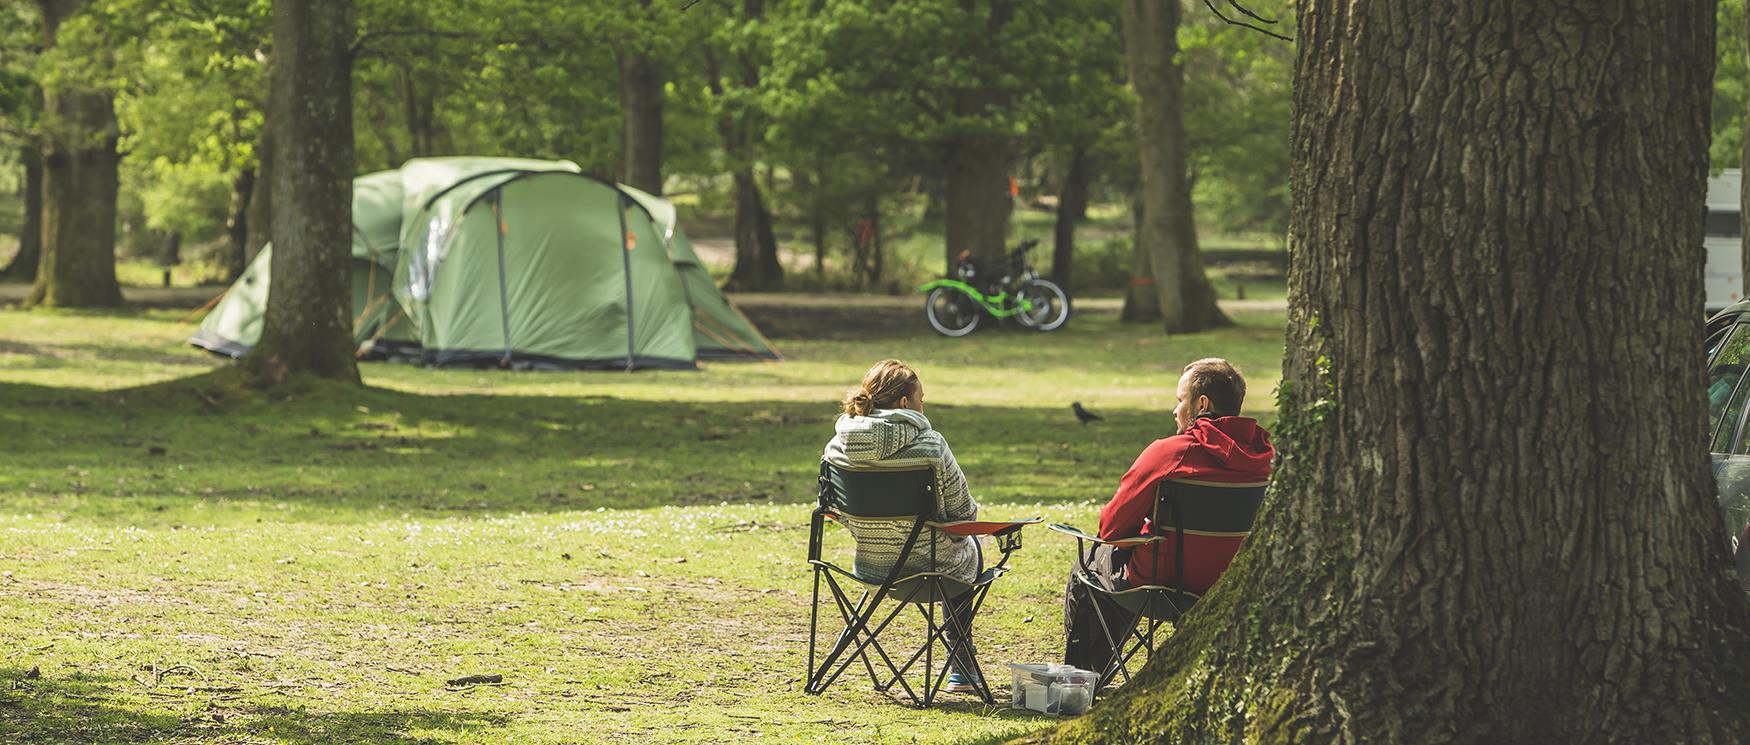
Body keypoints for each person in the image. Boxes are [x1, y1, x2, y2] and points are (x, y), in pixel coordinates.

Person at [1063, 357, 1275, 672]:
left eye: (1179, 401)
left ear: (1202, 404)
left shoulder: (1172, 453)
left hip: (1166, 581)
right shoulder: (1268, 458)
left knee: (1090, 563)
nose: (1174, 411)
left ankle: (1083, 677)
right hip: (1236, 581)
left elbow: (1111, 528)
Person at [823, 359, 985, 693]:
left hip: (872, 568)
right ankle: (962, 669)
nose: (924, 407)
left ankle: (828, 669)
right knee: (971, 549)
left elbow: (831, 509)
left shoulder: (836, 448)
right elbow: (962, 514)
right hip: (933, 568)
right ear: (904, 403)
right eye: (921, 399)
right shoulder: (930, 446)